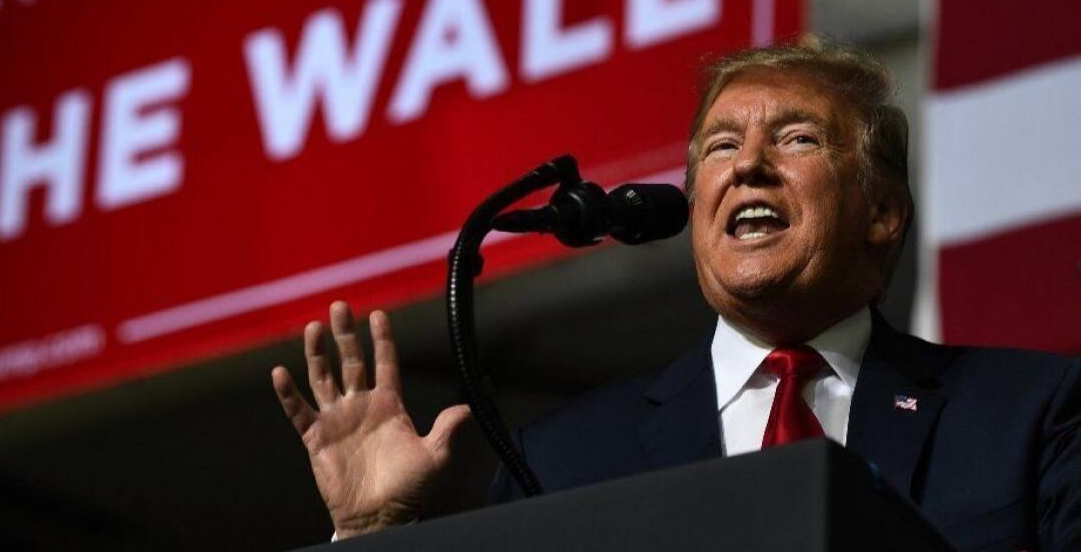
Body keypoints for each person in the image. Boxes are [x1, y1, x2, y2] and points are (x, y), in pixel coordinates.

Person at [270, 42, 1081, 551]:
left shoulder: (1030, 416)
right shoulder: (563, 461)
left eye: (797, 138)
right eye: (721, 147)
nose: (747, 166)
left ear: (882, 211)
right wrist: (373, 538)